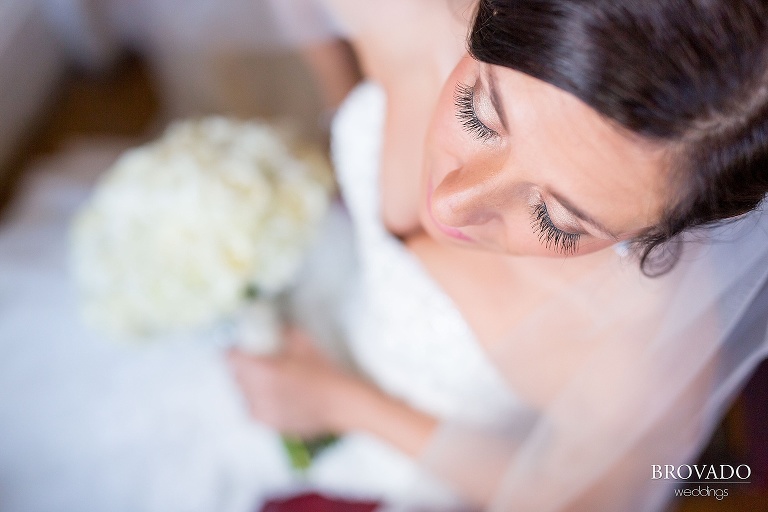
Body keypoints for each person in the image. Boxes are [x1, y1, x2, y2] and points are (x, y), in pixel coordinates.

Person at [226, 0, 768, 510]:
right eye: (481, 113)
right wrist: (338, 98)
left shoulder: (631, 352)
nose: (451, 205)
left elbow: (584, 498)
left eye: (555, 219)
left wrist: (342, 404)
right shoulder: (420, 16)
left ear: (658, 236)